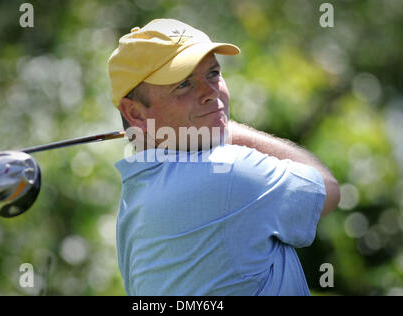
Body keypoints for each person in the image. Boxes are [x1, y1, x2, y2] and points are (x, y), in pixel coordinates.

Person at [108, 18, 340, 296]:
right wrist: (233, 131)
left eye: (213, 73)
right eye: (183, 84)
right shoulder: (228, 173)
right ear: (135, 113)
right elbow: (328, 190)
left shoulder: (136, 190)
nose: (210, 92)